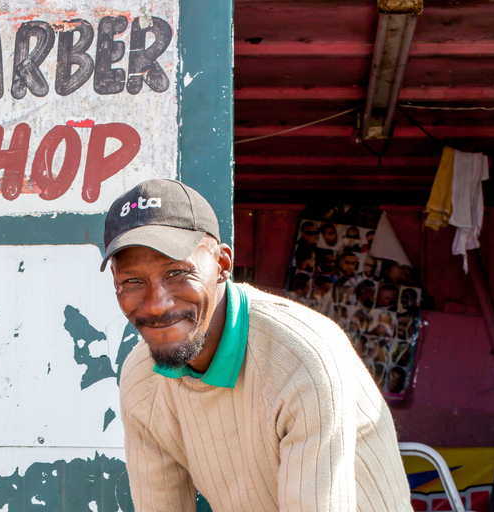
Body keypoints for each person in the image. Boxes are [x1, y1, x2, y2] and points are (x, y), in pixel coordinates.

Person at [100, 179, 412, 512]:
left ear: (222, 265)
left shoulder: (303, 357)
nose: (158, 304)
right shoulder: (142, 379)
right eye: (132, 281)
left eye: (177, 272)